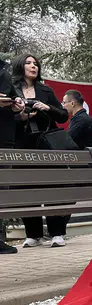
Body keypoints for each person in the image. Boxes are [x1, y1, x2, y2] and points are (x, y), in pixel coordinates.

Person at [12, 54, 71, 248]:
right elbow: (4, 119)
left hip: (46, 145)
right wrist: (21, 117)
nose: (33, 66)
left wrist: (47, 107)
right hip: (22, 146)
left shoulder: (45, 90)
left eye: (35, 63)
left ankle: (57, 233)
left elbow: (63, 116)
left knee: (53, 188)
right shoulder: (11, 89)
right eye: (28, 63)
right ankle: (33, 234)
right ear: (20, 66)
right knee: (26, 190)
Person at [0, 58, 24, 254]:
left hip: (5, 137)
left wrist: (17, 103)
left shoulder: (3, 70)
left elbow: (13, 96)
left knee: (2, 190)